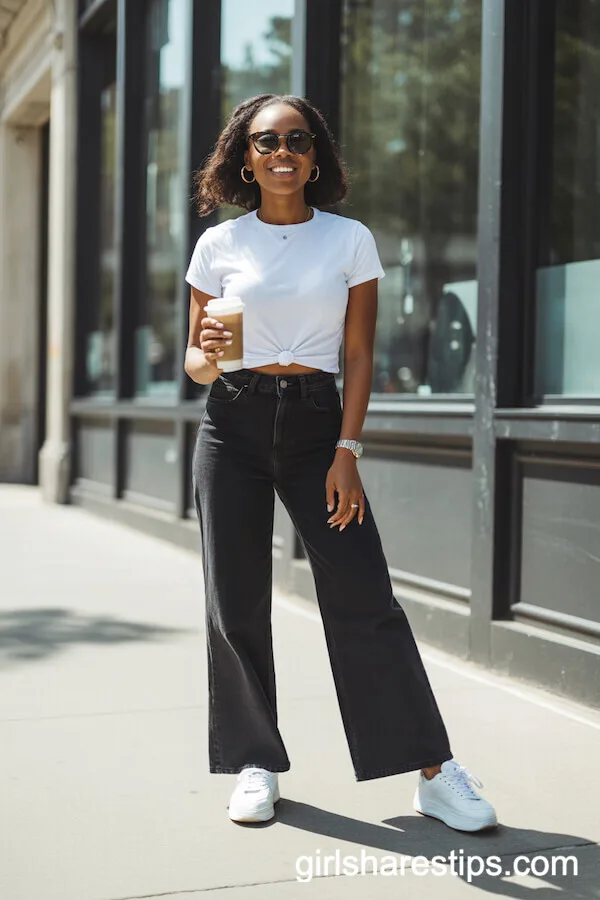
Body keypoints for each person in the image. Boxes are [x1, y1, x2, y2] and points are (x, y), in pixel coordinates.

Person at [184, 93, 497, 833]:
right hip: (231, 423)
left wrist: (347, 450)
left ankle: (430, 769)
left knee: (364, 596)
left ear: (316, 155)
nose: (282, 151)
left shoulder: (349, 239)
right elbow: (197, 361)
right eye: (266, 142)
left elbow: (358, 354)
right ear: (245, 159)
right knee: (235, 601)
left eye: (297, 139)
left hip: (320, 423)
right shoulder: (218, 248)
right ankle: (254, 762)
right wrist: (207, 356)